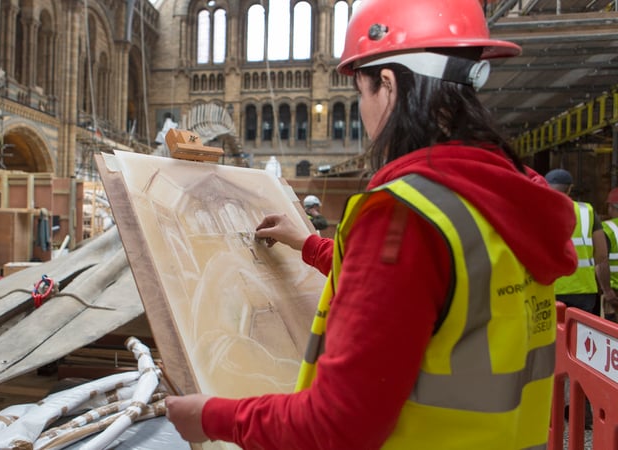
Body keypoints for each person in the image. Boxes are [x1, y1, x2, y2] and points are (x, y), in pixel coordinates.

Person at [164, 0, 578, 448]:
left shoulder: (404, 216)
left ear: (387, 83)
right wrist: (307, 244)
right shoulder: (502, 196)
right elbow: (429, 288)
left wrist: (214, 416)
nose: (360, 112)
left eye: (359, 94)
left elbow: (337, 424)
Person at [544, 168, 614, 316]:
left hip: (548, 288)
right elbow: (601, 256)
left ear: (544, 185)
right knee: (580, 336)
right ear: (570, 188)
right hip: (583, 291)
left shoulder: (536, 209)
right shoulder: (586, 211)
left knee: (552, 336)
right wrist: (606, 289)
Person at [600, 187, 618, 322]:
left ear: (612, 207)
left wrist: (606, 290)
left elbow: (601, 260)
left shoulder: (607, 228)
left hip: (614, 292)